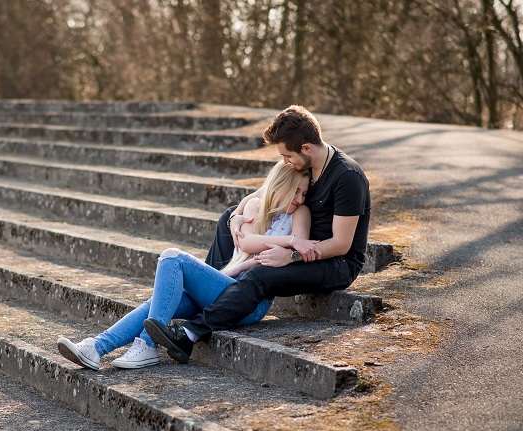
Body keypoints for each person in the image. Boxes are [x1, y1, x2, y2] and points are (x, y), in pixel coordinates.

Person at [144, 105, 371, 364]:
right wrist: (235, 218)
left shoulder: (347, 177)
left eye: (286, 155)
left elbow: (342, 245)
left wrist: (291, 255)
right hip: (300, 245)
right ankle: (211, 289)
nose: (284, 161)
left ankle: (189, 333)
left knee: (261, 272)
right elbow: (261, 195)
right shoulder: (304, 166)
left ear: (306, 148)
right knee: (226, 220)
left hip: (336, 263)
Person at [57, 161, 310, 370]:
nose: (300, 198)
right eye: (296, 191)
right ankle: (96, 347)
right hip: (228, 285)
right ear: (280, 186)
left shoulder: (300, 214)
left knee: (173, 257)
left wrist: (292, 242)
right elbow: (248, 244)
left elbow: (293, 246)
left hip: (251, 302)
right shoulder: (257, 207)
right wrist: (239, 220)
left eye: (304, 193)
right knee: (159, 300)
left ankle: (146, 345)